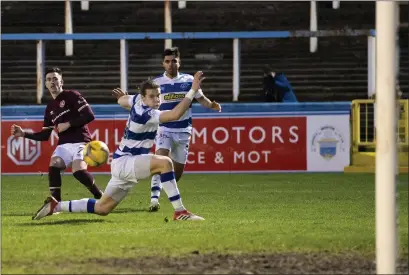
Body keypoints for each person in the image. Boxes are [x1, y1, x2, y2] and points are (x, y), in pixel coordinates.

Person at [32, 72, 207, 221]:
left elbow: (124, 100)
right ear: (145, 98)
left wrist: (121, 97)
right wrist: (192, 90)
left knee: (102, 208)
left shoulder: (137, 100)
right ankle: (180, 211)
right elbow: (175, 114)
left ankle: (56, 206)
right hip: (127, 162)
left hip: (122, 163)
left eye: (158, 95)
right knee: (165, 163)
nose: (157, 99)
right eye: (152, 96)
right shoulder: (146, 114)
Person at [11, 67, 103, 202]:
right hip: (64, 146)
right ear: (46, 84)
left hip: (81, 142)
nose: (52, 82)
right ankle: (56, 203)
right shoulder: (49, 108)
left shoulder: (72, 95)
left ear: (61, 81)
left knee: (78, 172)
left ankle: (99, 195)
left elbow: (89, 115)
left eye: (55, 79)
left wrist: (68, 124)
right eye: (49, 80)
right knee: (54, 165)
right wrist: (24, 134)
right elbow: (44, 136)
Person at [149, 47, 221, 212]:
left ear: (179, 62)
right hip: (164, 128)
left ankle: (166, 189)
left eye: (174, 61)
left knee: (177, 173)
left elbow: (200, 98)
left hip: (183, 130)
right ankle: (154, 198)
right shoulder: (156, 83)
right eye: (167, 61)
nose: (170, 64)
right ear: (162, 64)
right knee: (160, 158)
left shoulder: (189, 80)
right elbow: (148, 102)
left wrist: (211, 105)